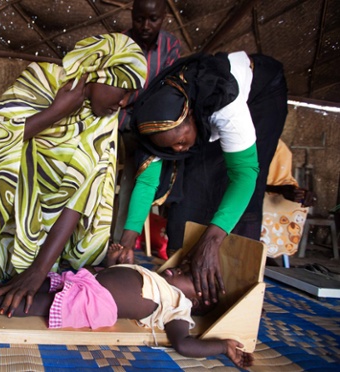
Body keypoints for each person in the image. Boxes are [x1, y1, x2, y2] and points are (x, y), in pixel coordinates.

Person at [0, 34, 147, 317]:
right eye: (122, 89)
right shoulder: (41, 81)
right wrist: (55, 112)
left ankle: (37, 275)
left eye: (130, 94)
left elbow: (79, 198)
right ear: (97, 71)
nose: (123, 102)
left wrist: (38, 270)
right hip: (11, 216)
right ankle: (10, 268)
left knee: (47, 283)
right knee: (0, 270)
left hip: (53, 239)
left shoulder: (103, 121)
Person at [117, 51, 288, 305]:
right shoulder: (155, 121)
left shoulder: (224, 105)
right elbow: (147, 182)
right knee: (192, 185)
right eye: (169, 148)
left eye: (181, 142)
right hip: (201, 119)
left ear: (192, 117)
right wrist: (127, 242)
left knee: (241, 195)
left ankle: (235, 291)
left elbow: (244, 174)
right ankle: (188, 280)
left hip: (262, 97)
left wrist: (212, 239)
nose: (177, 150)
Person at [0, 246, 253, 369]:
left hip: (92, 303)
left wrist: (221, 347)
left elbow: (183, 344)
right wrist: (115, 264)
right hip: (86, 282)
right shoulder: (158, 277)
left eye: (187, 274)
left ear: (197, 300)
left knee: (34, 303)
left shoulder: (179, 307)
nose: (177, 269)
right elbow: (124, 278)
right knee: (30, 286)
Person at [113, 0, 182, 252]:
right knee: (102, 174)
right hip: (114, 122)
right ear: (132, 15)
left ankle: (119, 244)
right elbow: (112, 91)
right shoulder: (119, 43)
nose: (145, 25)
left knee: (137, 176)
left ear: (163, 17)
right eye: (139, 18)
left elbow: (165, 92)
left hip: (146, 126)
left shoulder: (170, 46)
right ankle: (91, 240)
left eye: (152, 19)